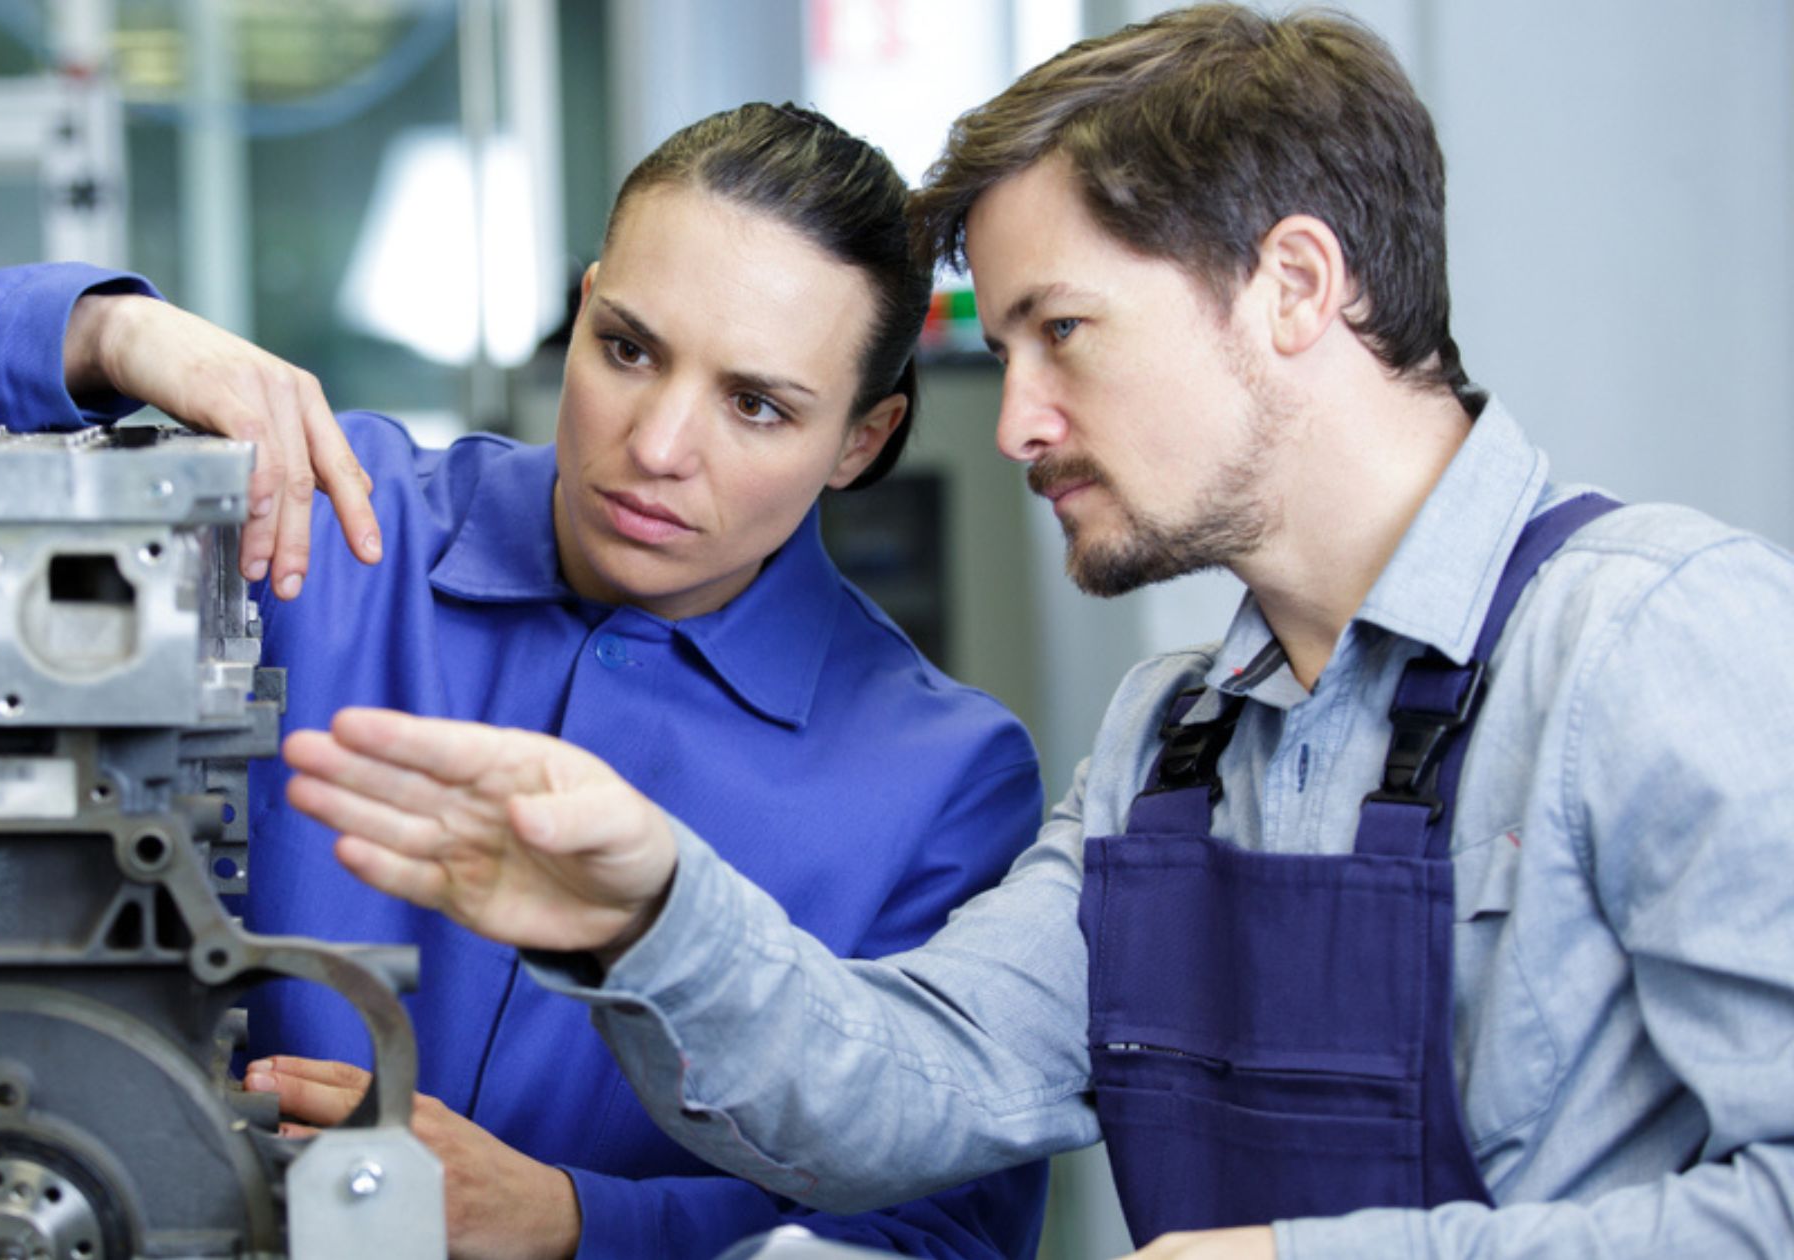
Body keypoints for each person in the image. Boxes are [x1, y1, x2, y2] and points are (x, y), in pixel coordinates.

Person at [276, 8, 1794, 1259]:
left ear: (1294, 287)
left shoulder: (1655, 640)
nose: (1013, 424)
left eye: (1059, 333)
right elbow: (918, 1089)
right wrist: (653, 910)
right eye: (1001, 353)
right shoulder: (1170, 743)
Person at [0, 104, 1054, 1259]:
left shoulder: (937, 781)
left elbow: (943, 1235)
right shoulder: (313, 528)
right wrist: (101, 338)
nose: (657, 444)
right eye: (627, 350)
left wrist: (578, 1220)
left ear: (865, 440)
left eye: (757, 404)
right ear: (580, 315)